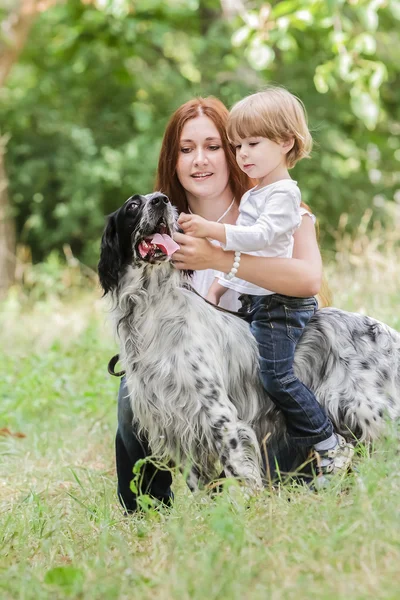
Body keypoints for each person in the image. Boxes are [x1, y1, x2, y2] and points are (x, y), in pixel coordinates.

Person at [115, 96, 329, 513]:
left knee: (288, 484)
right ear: (172, 158)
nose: (200, 160)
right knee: (130, 396)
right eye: (186, 149)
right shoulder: (158, 226)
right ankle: (146, 507)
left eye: (214, 146)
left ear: (237, 151)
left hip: (258, 372)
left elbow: (309, 279)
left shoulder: (279, 212)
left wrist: (216, 257)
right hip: (185, 373)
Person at [177, 88, 354, 484]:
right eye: (238, 144)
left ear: (286, 142)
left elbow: (259, 238)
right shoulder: (259, 193)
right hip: (259, 305)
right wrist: (221, 286)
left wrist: (214, 235)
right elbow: (249, 254)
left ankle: (326, 443)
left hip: (281, 306)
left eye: (250, 144)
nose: (243, 153)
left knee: (276, 377)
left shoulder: (284, 196)